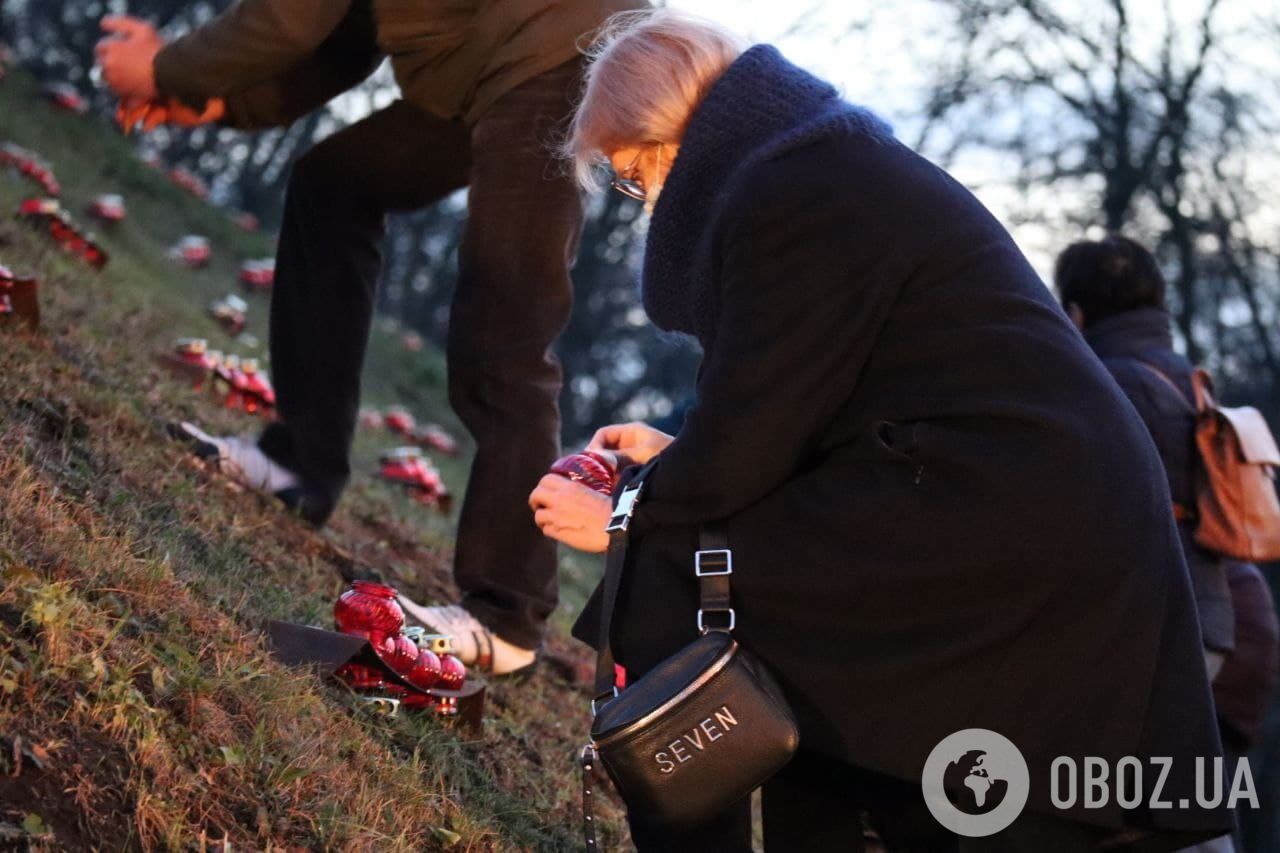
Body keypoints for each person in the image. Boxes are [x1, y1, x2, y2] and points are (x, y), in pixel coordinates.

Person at [528, 9, 1232, 849]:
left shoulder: (787, 189)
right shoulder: (815, 163)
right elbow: (788, 410)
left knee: (667, 573)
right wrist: (679, 462)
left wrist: (622, 516)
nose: (644, 207)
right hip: (1014, 492)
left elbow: (750, 442)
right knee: (738, 581)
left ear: (673, 137)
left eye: (637, 175)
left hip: (1000, 504)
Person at [95, 0, 643, 676]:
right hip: (480, 61)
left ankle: (508, 613)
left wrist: (166, 68)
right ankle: (301, 464)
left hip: (557, 54)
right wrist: (221, 103)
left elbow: (291, 17)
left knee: (506, 331)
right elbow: (346, 30)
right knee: (335, 184)